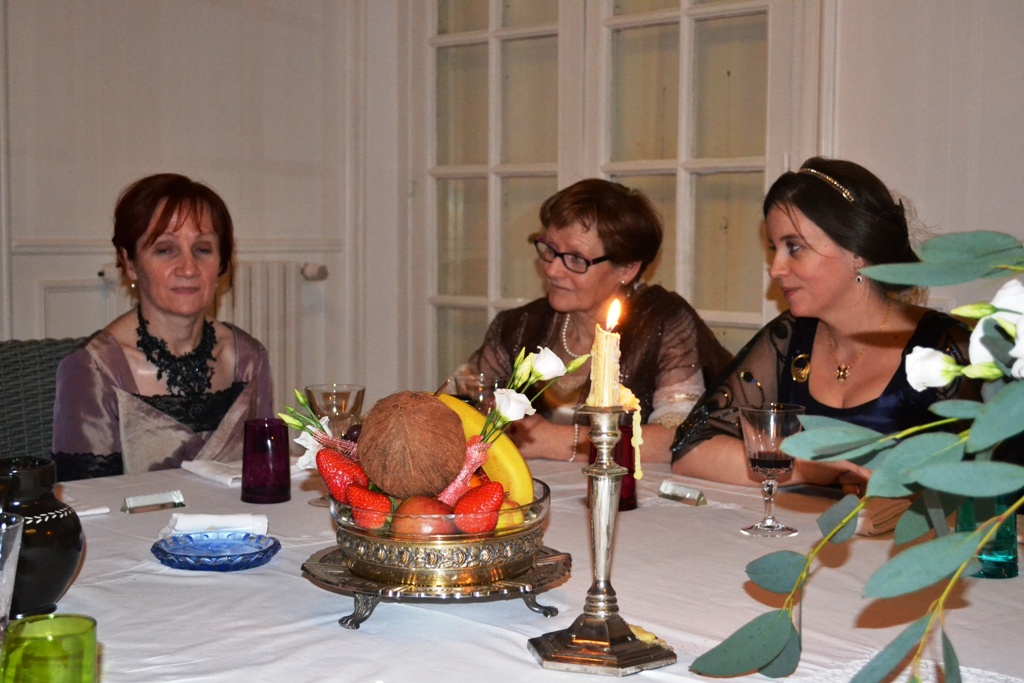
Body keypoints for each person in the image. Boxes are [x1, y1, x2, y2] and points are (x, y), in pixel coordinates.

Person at [671, 157, 979, 489]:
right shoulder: (789, 339)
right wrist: (804, 469)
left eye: (794, 248)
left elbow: (995, 485)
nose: (775, 269)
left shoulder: (948, 348)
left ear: (857, 251)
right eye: (775, 248)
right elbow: (690, 450)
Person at [464, 178, 733, 462]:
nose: (553, 270)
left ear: (627, 269)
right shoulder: (520, 325)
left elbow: (678, 436)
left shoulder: (663, 320)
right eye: (550, 249)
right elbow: (465, 402)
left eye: (576, 259)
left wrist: (556, 441)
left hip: (629, 488)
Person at [51, 173, 273, 481]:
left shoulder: (249, 359)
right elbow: (86, 501)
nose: (188, 269)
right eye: (165, 249)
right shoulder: (94, 370)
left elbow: (266, 482)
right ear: (129, 263)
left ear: (221, 263)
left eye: (203, 249)